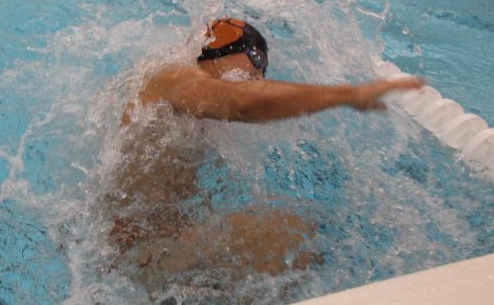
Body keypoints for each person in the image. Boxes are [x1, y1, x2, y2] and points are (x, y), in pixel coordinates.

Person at [112, 18, 424, 275]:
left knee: (291, 231)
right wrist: (348, 96)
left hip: (148, 247)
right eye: (256, 59)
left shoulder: (185, 106)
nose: (260, 75)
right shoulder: (174, 77)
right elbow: (243, 105)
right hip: (134, 257)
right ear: (218, 50)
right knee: (289, 236)